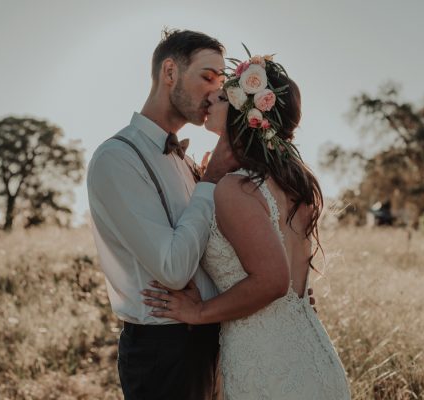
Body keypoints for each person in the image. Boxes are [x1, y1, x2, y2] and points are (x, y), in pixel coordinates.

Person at [142, 51, 352, 399]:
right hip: (314, 360)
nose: (211, 96)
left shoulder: (236, 188)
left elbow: (272, 281)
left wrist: (198, 312)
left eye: (223, 96)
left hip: (272, 374)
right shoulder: (290, 184)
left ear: (246, 114)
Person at [87, 29, 237, 399]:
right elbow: (172, 268)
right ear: (169, 72)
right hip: (163, 353)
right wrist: (212, 180)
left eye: (221, 82)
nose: (216, 93)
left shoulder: (186, 161)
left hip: (209, 340)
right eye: (207, 77)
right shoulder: (116, 158)